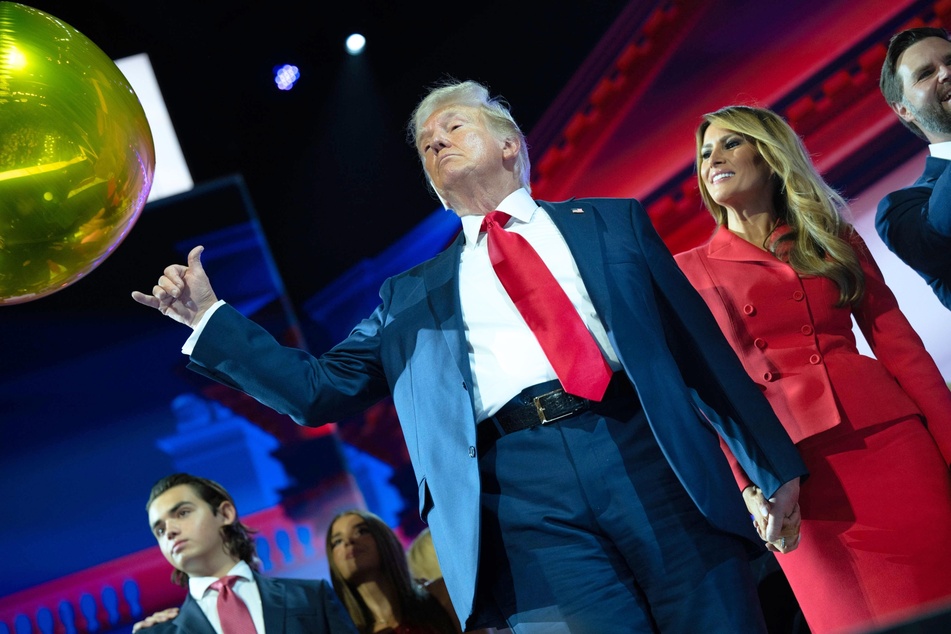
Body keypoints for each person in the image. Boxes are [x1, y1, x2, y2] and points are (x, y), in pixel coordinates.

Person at [132, 79, 807, 633]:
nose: (434, 140)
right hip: (517, 494)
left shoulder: (611, 223)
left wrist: (768, 463)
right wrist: (208, 318)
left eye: (452, 126)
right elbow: (316, 390)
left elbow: (697, 349)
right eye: (426, 143)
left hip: (649, 455)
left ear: (510, 145)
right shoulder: (411, 294)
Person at [674, 104, 951, 633]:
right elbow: (703, 395)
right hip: (792, 478)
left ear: (769, 154)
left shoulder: (831, 238)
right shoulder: (686, 272)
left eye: (731, 144)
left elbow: (901, 349)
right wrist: (749, 485)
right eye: (705, 152)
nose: (713, 159)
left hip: (891, 444)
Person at [135, 473, 357, 633]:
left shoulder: (310, 596)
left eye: (183, 513)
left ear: (225, 513)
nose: (170, 532)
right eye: (160, 530)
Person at [877, 26, 951, 310]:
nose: (945, 73)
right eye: (925, 73)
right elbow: (939, 233)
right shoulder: (900, 210)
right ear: (903, 109)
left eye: (950, 62)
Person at [326, 510, 458, 634]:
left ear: (385, 539)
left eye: (361, 531)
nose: (348, 542)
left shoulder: (440, 596)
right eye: (337, 541)